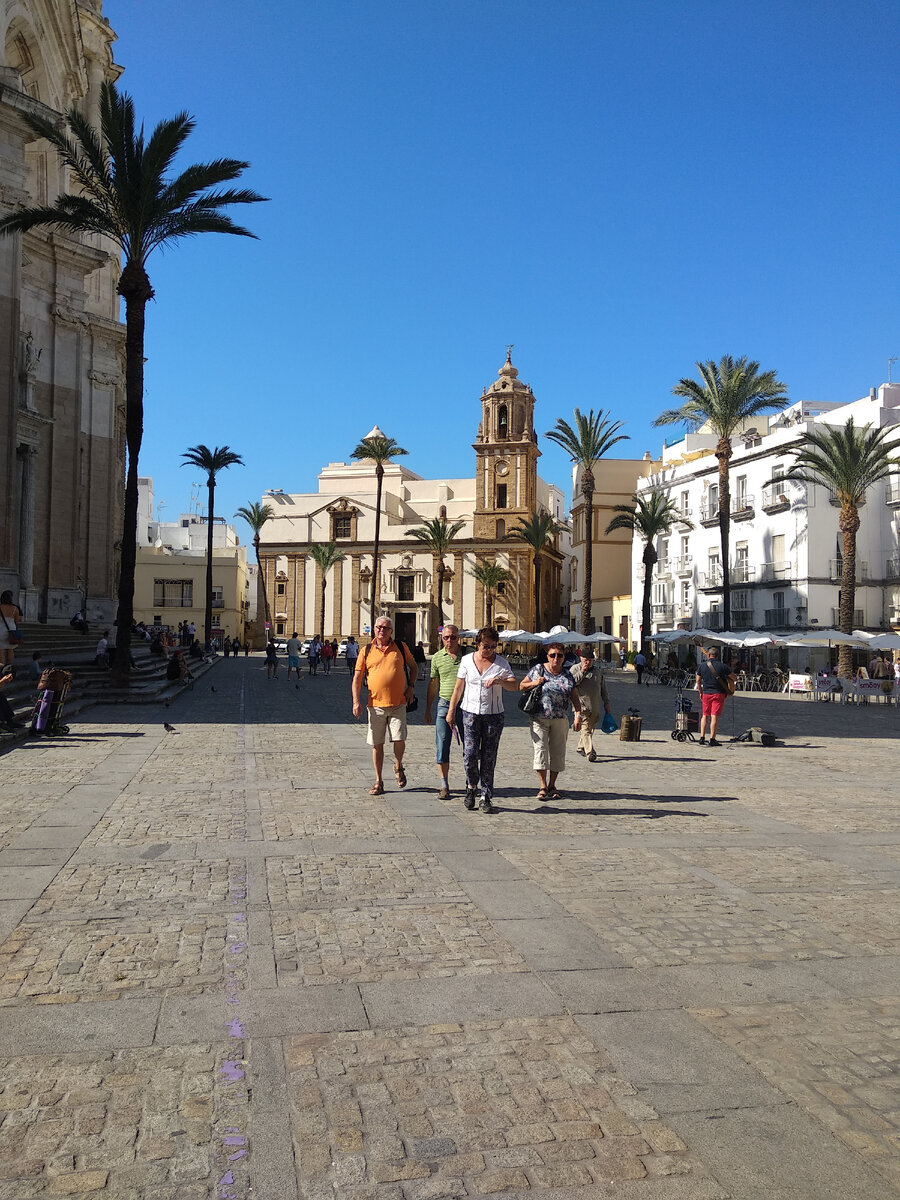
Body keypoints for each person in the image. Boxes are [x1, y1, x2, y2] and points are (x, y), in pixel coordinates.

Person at [446, 626, 518, 813]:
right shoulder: (467, 661)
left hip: (493, 715)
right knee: (469, 754)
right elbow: (458, 688)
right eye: (486, 646)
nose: (489, 650)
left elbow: (514, 686)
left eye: (494, 647)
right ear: (477, 644)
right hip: (469, 713)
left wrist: (500, 681)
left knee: (488, 756)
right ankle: (471, 786)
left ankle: (486, 796)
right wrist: (451, 711)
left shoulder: (501, 664)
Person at [352, 617, 417, 795]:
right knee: (377, 744)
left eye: (386, 628)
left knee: (399, 739)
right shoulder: (366, 650)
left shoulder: (401, 647)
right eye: (379, 627)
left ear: (391, 631)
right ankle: (378, 781)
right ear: (374, 629)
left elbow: (414, 667)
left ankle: (398, 764)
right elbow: (357, 678)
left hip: (398, 703)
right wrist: (356, 701)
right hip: (375, 705)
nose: (382, 630)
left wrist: (410, 686)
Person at [519, 640, 582, 800]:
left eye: (559, 655)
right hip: (539, 717)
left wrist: (578, 714)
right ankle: (542, 785)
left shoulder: (568, 675)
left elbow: (574, 696)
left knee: (557, 752)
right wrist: (535, 682)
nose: (556, 658)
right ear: (547, 656)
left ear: (563, 657)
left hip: (560, 719)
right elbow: (521, 686)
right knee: (541, 750)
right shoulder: (538, 669)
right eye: (552, 655)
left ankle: (552, 785)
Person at [425, 624, 464, 799]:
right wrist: (428, 708)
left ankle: (471, 782)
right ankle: (444, 784)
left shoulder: (469, 656)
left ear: (459, 637)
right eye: (446, 637)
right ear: (441, 638)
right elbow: (433, 683)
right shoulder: (437, 658)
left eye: (453, 637)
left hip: (466, 706)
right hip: (443, 705)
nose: (449, 640)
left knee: (470, 746)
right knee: (442, 745)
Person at [570, 647, 611, 762]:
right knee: (585, 727)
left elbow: (603, 688)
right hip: (581, 705)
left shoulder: (597, 671)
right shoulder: (575, 669)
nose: (587, 662)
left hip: (595, 705)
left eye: (590, 660)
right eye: (585, 659)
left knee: (590, 728)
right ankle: (590, 752)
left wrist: (607, 702)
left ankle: (580, 746)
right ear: (581, 658)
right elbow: (571, 683)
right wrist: (582, 672)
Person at [696, 644, 735, 747]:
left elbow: (698, 681)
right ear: (718, 656)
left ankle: (702, 737)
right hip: (718, 693)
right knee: (714, 717)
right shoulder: (723, 666)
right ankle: (712, 739)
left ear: (709, 655)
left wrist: (700, 692)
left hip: (706, 693)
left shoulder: (702, 665)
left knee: (705, 715)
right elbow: (733, 677)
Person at [0, 590, 22, 674]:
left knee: (1, 649)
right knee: (10, 649)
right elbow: (18, 619)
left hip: (1, 629)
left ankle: (2, 668)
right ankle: (10, 667)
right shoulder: (15, 608)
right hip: (11, 630)